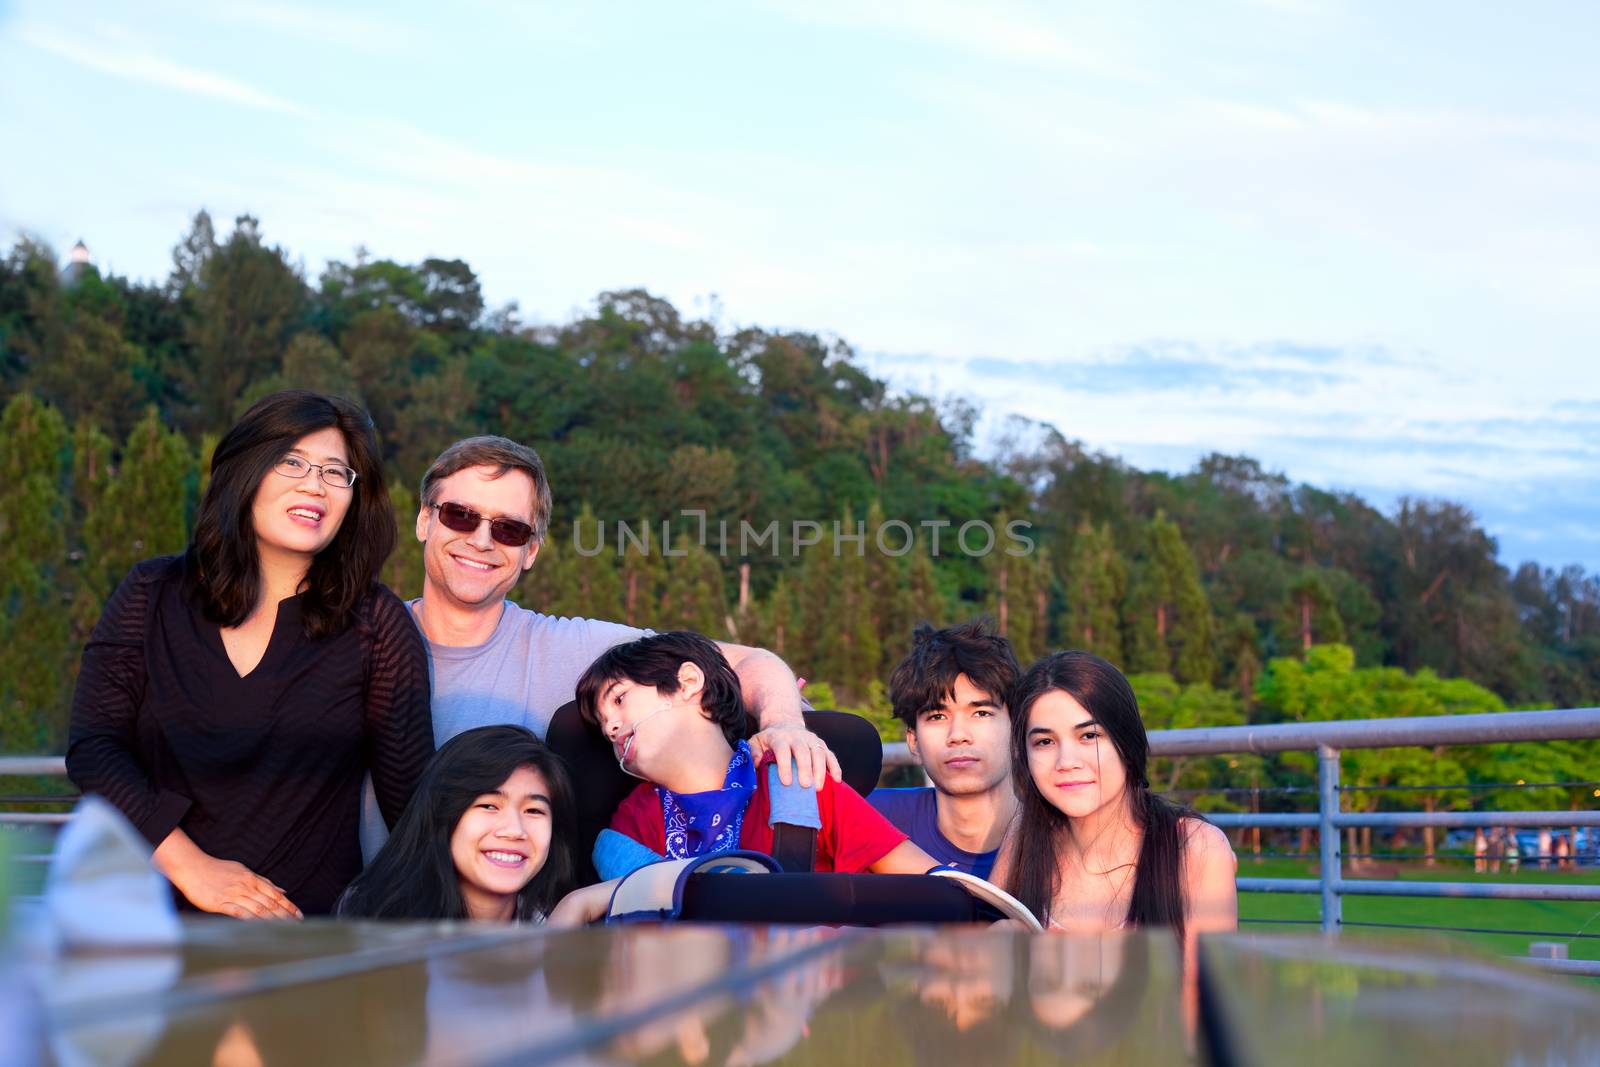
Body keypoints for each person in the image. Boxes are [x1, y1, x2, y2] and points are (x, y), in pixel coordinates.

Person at [361, 436, 837, 860]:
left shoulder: (567, 646)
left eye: (509, 529)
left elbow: (748, 660)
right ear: (425, 521)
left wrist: (781, 724)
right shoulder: (355, 637)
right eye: (460, 515)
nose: (481, 540)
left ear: (531, 552)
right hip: (358, 924)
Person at [67, 390, 433, 918]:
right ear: (247, 469)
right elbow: (95, 748)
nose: (314, 484)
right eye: (292, 461)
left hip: (299, 939)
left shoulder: (375, 623)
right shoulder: (152, 592)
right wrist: (193, 869)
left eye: (336, 473)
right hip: (144, 926)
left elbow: (415, 803)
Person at [549, 632, 937, 925]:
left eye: (619, 700)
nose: (612, 726)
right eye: (602, 726)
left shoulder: (799, 783)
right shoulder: (632, 826)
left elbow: (933, 883)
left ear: (687, 682)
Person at [993, 651, 1236, 950]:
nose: (1066, 761)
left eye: (1089, 736)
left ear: (1126, 741)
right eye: (1045, 742)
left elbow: (1201, 993)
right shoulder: (1023, 835)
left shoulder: (1195, 848)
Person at [338, 725, 577, 922]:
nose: (515, 830)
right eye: (489, 806)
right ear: (444, 813)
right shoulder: (372, 916)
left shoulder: (563, 926)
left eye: (533, 810)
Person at [868, 621, 1019, 879]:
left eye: (981, 713)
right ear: (913, 741)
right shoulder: (873, 818)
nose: (958, 735)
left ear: (1017, 731)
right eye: (937, 716)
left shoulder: (1060, 836)